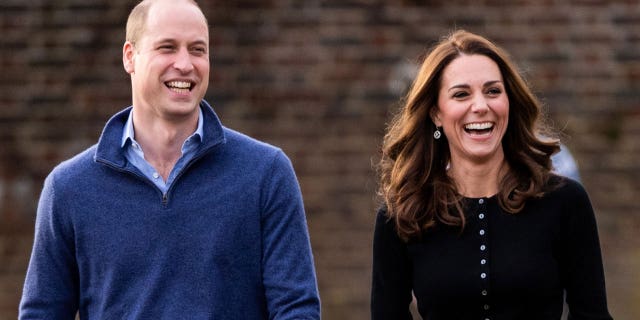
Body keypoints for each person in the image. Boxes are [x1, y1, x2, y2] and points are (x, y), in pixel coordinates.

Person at [19, 0, 320, 318]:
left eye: (197, 50)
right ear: (129, 57)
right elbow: (42, 313)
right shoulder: (69, 189)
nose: (185, 64)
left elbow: (296, 309)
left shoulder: (266, 174)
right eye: (167, 47)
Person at [371, 30, 612, 319]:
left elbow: (592, 314)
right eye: (461, 94)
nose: (481, 106)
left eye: (493, 91)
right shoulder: (402, 215)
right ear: (436, 113)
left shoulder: (564, 201)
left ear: (509, 102)